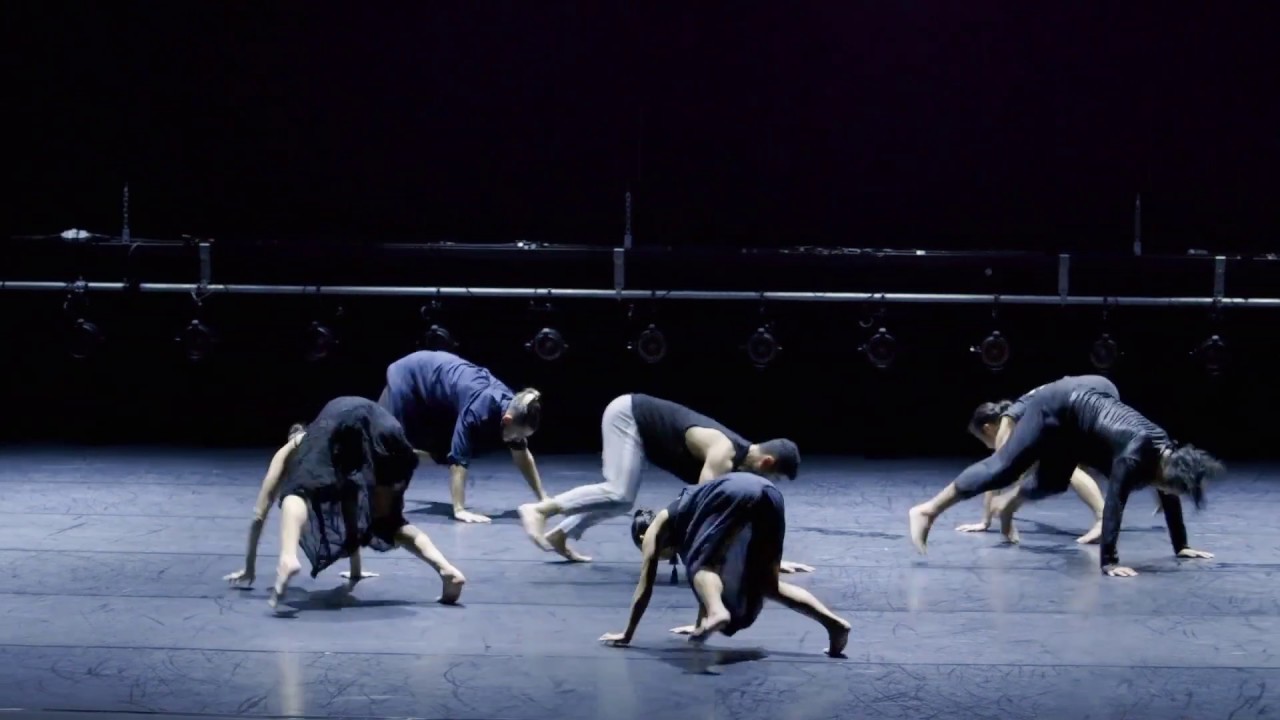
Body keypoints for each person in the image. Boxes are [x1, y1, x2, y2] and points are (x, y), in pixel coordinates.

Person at [908, 382, 1223, 577]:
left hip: (1080, 428)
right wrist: (1109, 562)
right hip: (1057, 406)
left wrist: (1181, 545)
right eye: (1172, 488)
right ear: (1167, 476)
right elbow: (1114, 504)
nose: (1169, 493)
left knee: (1055, 482)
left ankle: (1007, 505)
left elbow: (1169, 492)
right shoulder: (1137, 455)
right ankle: (928, 510)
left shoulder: (1167, 453)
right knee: (1004, 468)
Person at [517, 393, 808, 570]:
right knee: (619, 491)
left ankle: (560, 535)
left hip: (642, 434)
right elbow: (699, 506)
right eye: (774, 477)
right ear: (768, 463)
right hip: (627, 415)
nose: (769, 483)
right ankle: (541, 510)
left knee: (622, 501)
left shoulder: (737, 463)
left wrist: (767, 561)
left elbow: (735, 517)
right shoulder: (723, 453)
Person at [223, 396, 466, 608]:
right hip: (384, 425)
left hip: (351, 413)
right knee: (389, 523)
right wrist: (356, 572)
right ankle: (446, 570)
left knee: (296, 493)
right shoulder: (341, 455)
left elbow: (259, 513)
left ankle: (287, 557)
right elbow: (352, 514)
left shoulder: (300, 445)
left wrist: (249, 567)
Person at [598, 472, 850, 656]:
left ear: (642, 538)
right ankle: (834, 625)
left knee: (701, 566)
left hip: (737, 492)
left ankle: (718, 610)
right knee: (766, 584)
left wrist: (628, 632)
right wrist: (700, 626)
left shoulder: (656, 529)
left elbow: (646, 585)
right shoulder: (692, 522)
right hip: (769, 493)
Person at [379, 350, 547, 523]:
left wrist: (544, 499)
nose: (518, 440)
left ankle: (408, 456)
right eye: (518, 435)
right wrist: (459, 509)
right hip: (407, 373)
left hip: (435, 387)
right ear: (507, 419)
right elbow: (458, 461)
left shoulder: (514, 404)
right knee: (385, 441)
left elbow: (522, 455)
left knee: (440, 454)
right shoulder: (477, 409)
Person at [956, 375, 1112, 544]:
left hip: (1082, 395)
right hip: (1103, 388)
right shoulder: (1028, 416)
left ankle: (1103, 517)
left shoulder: (1008, 424)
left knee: (1067, 466)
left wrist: (985, 522)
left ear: (988, 429)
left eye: (982, 440)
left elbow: (994, 472)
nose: (987, 447)